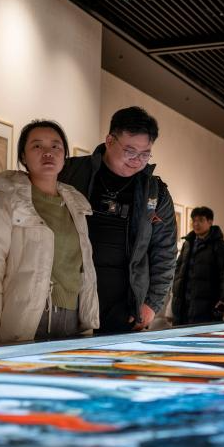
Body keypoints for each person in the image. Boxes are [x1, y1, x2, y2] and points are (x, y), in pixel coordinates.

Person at [0, 120, 98, 344]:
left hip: (73, 322)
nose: (48, 152)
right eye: (37, 146)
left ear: (64, 155)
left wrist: (88, 318)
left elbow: (84, 270)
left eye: (55, 146)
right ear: (23, 157)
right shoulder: (7, 201)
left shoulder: (77, 206)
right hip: (27, 318)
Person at [59, 106, 176, 333]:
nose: (137, 160)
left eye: (145, 154)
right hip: (70, 297)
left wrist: (152, 304)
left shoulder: (156, 192)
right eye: (130, 151)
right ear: (110, 140)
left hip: (125, 306)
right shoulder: (71, 173)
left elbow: (165, 251)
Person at [171, 206, 224, 325]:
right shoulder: (188, 243)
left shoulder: (220, 246)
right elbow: (178, 269)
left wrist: (223, 300)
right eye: (194, 220)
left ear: (210, 222)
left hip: (207, 306)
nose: (196, 224)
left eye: (201, 220)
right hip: (183, 304)